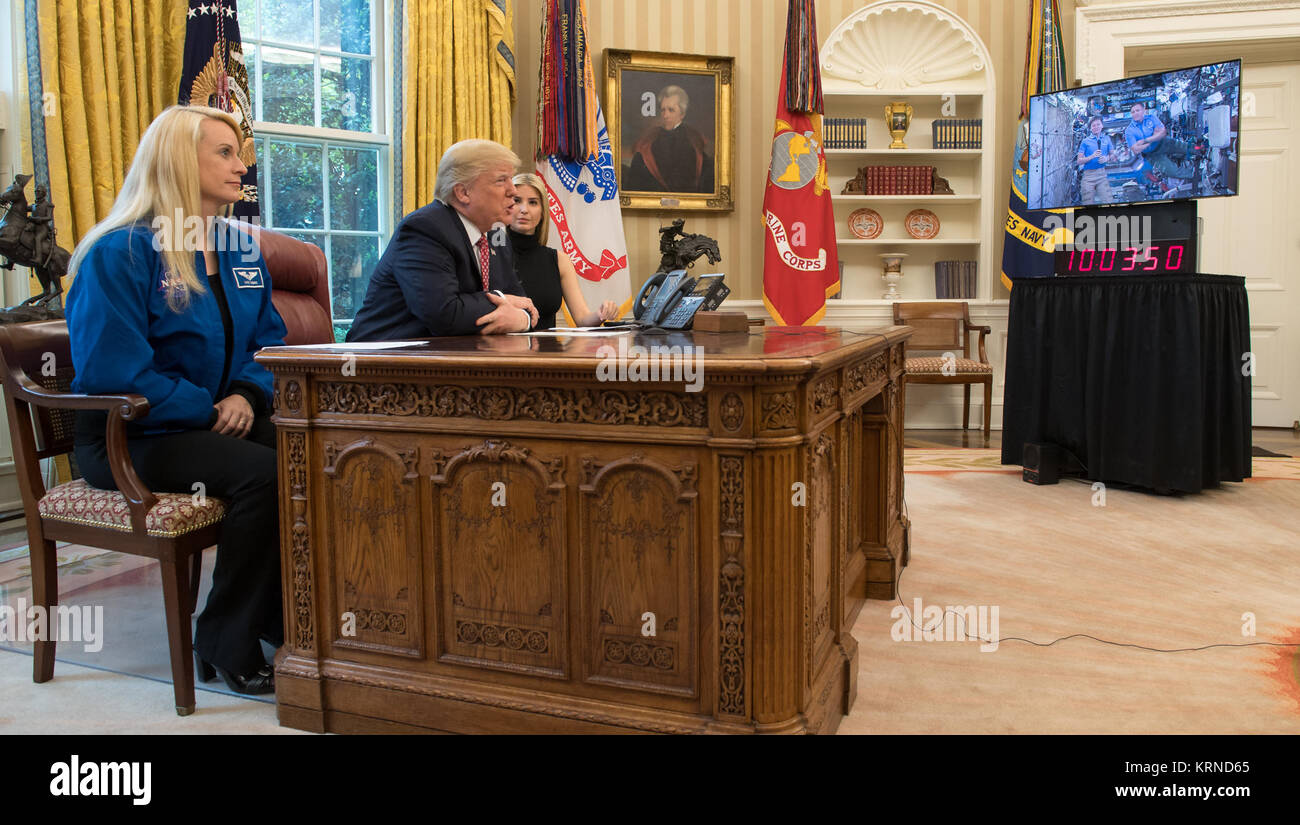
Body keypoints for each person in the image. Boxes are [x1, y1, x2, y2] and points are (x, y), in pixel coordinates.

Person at [65, 105, 287, 695]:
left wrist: (244, 393)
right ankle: (223, 636)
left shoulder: (239, 247)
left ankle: (276, 614)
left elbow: (270, 341)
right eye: (226, 153)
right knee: (263, 475)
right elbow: (116, 370)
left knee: (312, 454)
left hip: (214, 419)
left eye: (240, 153)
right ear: (177, 162)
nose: (242, 166)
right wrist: (209, 409)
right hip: (130, 436)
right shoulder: (121, 252)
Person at [347, 139, 538, 341]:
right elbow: (444, 314)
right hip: (381, 361)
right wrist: (502, 300)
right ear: (463, 192)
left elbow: (524, 304)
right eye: (501, 180)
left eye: (510, 179)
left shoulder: (496, 236)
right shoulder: (425, 228)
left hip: (452, 358)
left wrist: (521, 320)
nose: (513, 191)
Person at [507, 173, 619, 330]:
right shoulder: (490, 255)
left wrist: (600, 314)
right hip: (504, 352)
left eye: (533, 202)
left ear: (543, 212)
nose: (524, 209)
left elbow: (582, 318)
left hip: (549, 352)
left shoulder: (559, 260)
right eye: (517, 201)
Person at [623, 85, 714, 194]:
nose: (665, 115)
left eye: (671, 110)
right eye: (663, 110)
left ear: (682, 114)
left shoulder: (694, 141)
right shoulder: (650, 139)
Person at [1124, 101, 1192, 186]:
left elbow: (1163, 133)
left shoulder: (1152, 118)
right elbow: (1136, 150)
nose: (1135, 113)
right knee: (1173, 171)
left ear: (1143, 110)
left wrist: (1144, 141)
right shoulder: (1129, 131)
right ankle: (1197, 174)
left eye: (1137, 110)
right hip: (1152, 154)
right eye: (1133, 112)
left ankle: (1205, 152)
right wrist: (1153, 138)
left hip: (1164, 143)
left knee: (1188, 148)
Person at [1076, 117, 1113, 205]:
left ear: (1102, 125)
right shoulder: (1085, 141)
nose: (1096, 127)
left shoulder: (1107, 139)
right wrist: (1092, 156)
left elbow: (1113, 155)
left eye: (1098, 124)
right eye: (1093, 125)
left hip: (1102, 175)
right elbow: (1079, 161)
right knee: (1087, 203)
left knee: (1108, 201)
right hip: (1088, 176)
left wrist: (1106, 158)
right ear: (1090, 128)